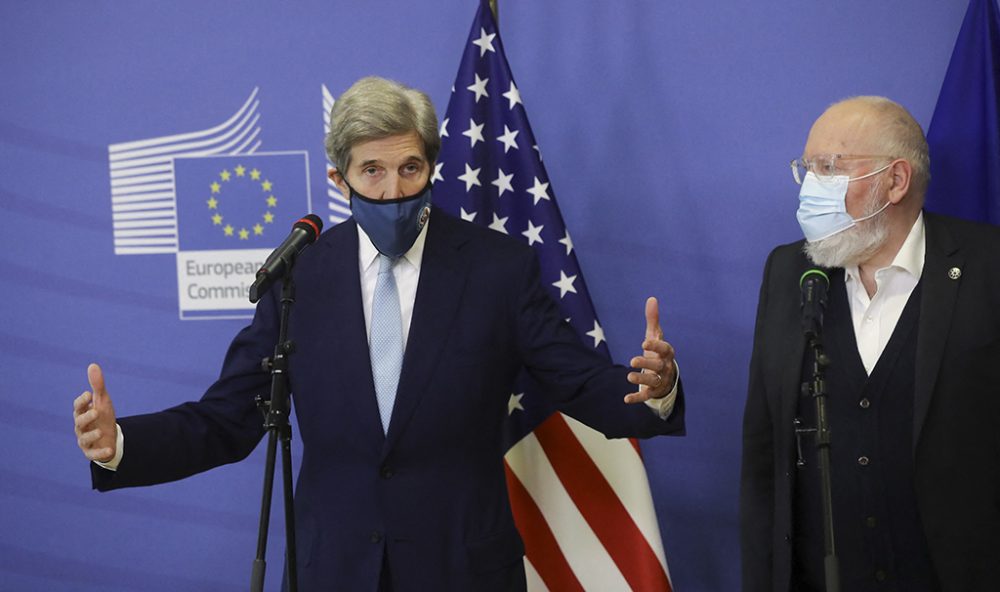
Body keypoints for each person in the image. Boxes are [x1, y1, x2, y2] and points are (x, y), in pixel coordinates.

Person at [73, 76, 685, 591]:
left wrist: (653, 386)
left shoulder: (498, 268)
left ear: (431, 168)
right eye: (372, 171)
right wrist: (120, 442)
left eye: (410, 168)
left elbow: (578, 382)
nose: (393, 191)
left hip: (463, 569)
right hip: (333, 569)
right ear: (339, 179)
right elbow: (226, 419)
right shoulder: (299, 277)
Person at [741, 96, 1000, 592]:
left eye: (829, 167)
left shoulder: (989, 268)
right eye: (806, 168)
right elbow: (763, 452)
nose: (810, 186)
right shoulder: (788, 271)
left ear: (895, 181)